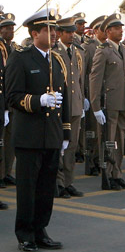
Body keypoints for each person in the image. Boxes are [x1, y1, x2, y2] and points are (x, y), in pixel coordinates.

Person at [5, 9, 71, 252]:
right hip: (29, 136)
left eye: (55, 30)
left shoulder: (56, 60)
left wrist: (65, 133)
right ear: (35, 34)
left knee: (46, 188)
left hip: (51, 135)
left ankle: (41, 230)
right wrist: (37, 100)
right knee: (27, 188)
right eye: (49, 30)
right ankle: (25, 235)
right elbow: (12, 96)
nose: (54, 34)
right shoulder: (20, 58)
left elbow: (65, 99)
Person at [89, 13, 125, 190]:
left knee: (119, 140)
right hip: (109, 103)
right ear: (108, 31)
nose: (121, 31)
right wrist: (96, 106)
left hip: (122, 103)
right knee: (108, 140)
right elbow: (95, 79)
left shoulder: (124, 50)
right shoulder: (103, 51)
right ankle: (107, 175)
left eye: (121, 28)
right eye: (116, 29)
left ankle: (117, 173)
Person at [53, 17, 86, 198]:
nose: (72, 35)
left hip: (75, 105)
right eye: (68, 32)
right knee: (59, 146)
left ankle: (68, 181)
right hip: (61, 107)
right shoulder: (54, 52)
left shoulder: (77, 52)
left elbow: (79, 80)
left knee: (72, 146)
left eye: (73, 32)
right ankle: (58, 183)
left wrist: (82, 101)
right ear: (59, 34)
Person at [81, 15, 108, 176]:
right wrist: (86, 95)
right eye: (103, 30)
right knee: (92, 131)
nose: (105, 33)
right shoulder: (89, 47)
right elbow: (85, 73)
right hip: (93, 94)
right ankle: (90, 161)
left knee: (103, 131)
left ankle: (99, 158)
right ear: (96, 31)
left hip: (106, 95)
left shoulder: (108, 47)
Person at [0, 11, 18, 195]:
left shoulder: (12, 47)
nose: (11, 31)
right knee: (1, 140)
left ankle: (6, 172)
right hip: (2, 100)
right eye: (7, 28)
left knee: (10, 139)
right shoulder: (1, 47)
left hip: (12, 100)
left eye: (12, 28)